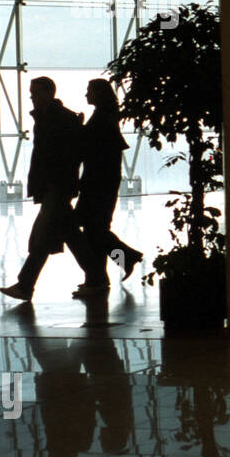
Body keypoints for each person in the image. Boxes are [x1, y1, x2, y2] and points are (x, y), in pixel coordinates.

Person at [0, 77, 103, 301]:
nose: (31, 97)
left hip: (55, 187)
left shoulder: (54, 119)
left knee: (44, 237)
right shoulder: (57, 118)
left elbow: (59, 155)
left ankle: (26, 285)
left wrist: (50, 182)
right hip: (56, 186)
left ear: (47, 93)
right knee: (70, 236)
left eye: (35, 93)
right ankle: (101, 275)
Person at [74, 79, 143, 295]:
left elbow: (89, 144)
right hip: (103, 180)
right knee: (96, 229)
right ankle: (104, 274)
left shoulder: (101, 117)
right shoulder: (107, 116)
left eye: (89, 91)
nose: (86, 94)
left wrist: (78, 127)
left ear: (98, 94)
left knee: (93, 230)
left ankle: (116, 265)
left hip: (97, 181)